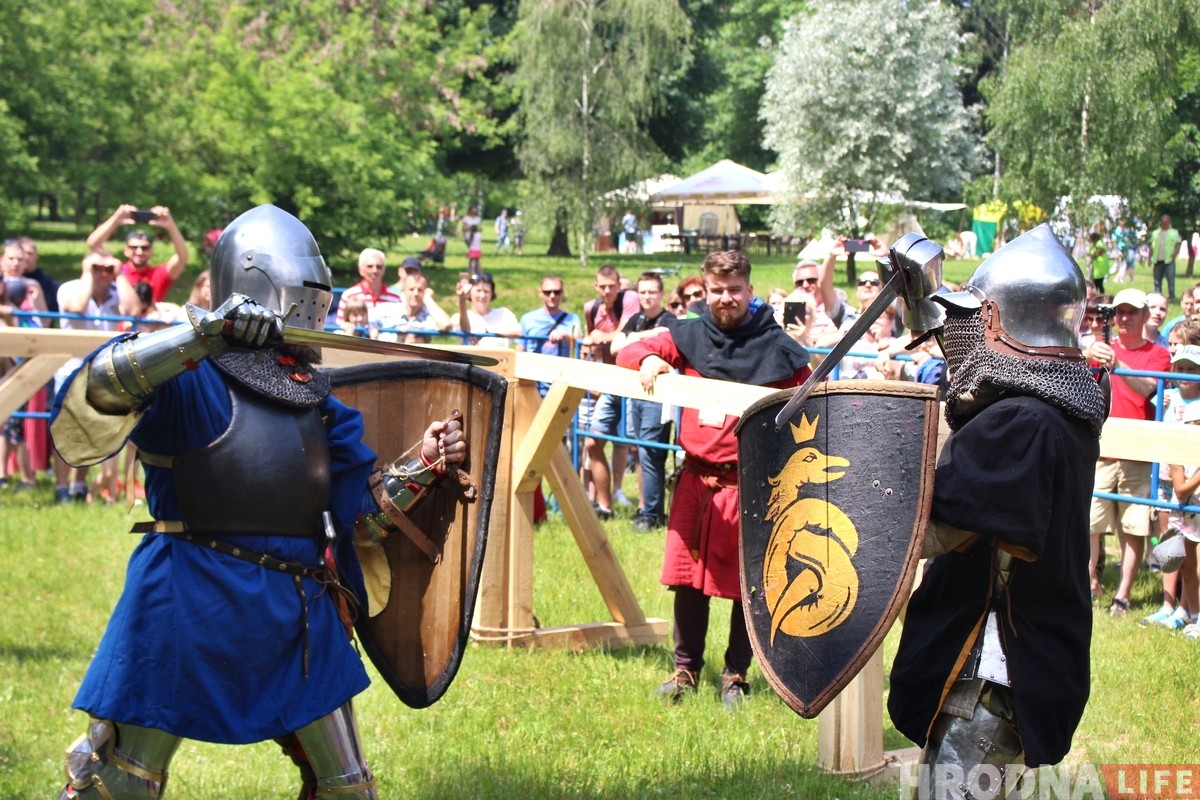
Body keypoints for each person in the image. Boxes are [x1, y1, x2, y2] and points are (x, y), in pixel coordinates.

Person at [49, 204, 467, 800]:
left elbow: (360, 519)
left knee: (348, 789)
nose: (311, 312)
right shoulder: (188, 380)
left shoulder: (318, 403)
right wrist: (201, 336)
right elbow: (99, 388)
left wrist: (422, 462)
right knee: (120, 784)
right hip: (188, 596)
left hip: (297, 609)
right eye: (302, 296)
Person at [889, 224, 1108, 787]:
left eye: (974, 322)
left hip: (992, 666)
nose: (963, 338)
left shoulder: (1021, 422)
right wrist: (926, 305)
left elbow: (934, 530)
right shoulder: (1063, 409)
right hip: (1016, 655)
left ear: (995, 322)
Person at [616, 250, 811, 706]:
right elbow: (627, 350)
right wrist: (649, 360)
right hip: (695, 479)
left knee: (746, 586)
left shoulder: (777, 347)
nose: (725, 298)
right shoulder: (689, 335)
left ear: (749, 290)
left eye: (734, 290)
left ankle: (735, 676)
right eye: (717, 290)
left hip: (748, 485)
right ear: (704, 291)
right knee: (687, 582)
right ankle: (684, 671)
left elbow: (811, 403)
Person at [1085, 288, 1172, 614]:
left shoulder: (1158, 354)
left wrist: (1118, 363)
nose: (1124, 318)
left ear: (1145, 316)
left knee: (1133, 527)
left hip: (1138, 451)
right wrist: (1087, 353)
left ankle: (1122, 595)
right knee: (1089, 523)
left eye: (1131, 312)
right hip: (1102, 447)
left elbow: (1149, 389)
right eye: (1119, 312)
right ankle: (1089, 582)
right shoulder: (1101, 348)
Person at [611, 272, 674, 531]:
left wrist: (632, 338)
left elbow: (665, 337)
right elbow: (615, 346)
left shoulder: (669, 320)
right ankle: (647, 509)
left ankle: (653, 514)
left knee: (651, 452)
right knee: (641, 451)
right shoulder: (635, 319)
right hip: (637, 394)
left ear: (661, 294)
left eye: (652, 292)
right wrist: (646, 335)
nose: (647, 296)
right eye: (642, 292)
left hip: (658, 397)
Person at [581, 265, 639, 518]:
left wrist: (600, 335)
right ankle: (605, 507)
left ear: (619, 285)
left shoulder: (630, 299)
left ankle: (646, 510)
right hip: (607, 382)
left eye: (612, 286)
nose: (607, 291)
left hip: (633, 381)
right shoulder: (591, 308)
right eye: (602, 286)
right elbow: (588, 343)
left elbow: (624, 335)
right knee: (592, 443)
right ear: (596, 286)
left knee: (637, 446)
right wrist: (590, 375)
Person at [87, 205, 189, 314]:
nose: (139, 252)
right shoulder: (116, 269)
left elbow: (182, 257)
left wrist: (171, 226)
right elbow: (93, 245)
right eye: (134, 247)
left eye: (145, 248)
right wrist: (115, 220)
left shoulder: (158, 274)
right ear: (126, 250)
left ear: (151, 250)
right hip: (120, 323)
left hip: (151, 323)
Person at [518, 275, 582, 397]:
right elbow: (520, 350)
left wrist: (564, 335)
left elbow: (579, 343)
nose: (552, 296)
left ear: (562, 293)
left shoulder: (572, 319)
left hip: (561, 384)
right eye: (547, 292)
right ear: (540, 293)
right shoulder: (527, 319)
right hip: (533, 385)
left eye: (557, 292)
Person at [373, 271, 451, 344]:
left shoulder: (429, 317)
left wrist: (428, 299)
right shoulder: (386, 309)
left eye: (420, 290)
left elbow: (445, 324)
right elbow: (368, 322)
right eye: (411, 289)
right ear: (403, 291)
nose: (415, 293)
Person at [451, 271, 520, 347]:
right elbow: (464, 330)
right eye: (478, 290)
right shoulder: (458, 317)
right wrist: (462, 299)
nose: (482, 295)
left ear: (492, 294)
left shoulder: (504, 313)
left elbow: (518, 332)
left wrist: (488, 333)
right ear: (470, 292)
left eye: (486, 291)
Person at [335, 248, 400, 326]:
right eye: (370, 266)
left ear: (384, 270)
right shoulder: (349, 296)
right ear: (361, 270)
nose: (374, 270)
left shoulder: (395, 297)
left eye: (379, 267)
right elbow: (340, 324)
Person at [1149, 214, 1182, 300]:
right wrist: (1149, 258)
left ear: (1169, 223)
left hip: (1169, 260)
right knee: (1157, 281)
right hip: (1157, 260)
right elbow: (1152, 246)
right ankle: (1158, 296)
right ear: (1160, 222)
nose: (1164, 224)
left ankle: (1171, 297)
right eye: (1163, 222)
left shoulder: (1174, 232)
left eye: (1166, 222)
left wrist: (1175, 253)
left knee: (1170, 280)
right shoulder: (1155, 233)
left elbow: (1178, 244)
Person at [1089, 230, 1111, 295]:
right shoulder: (1095, 244)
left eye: (1091, 239)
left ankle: (1101, 295)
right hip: (1097, 266)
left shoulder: (1099, 244)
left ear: (1094, 239)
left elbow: (1097, 253)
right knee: (1097, 282)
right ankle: (1098, 295)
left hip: (1100, 266)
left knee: (1098, 283)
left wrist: (1092, 256)